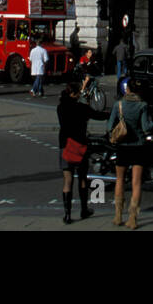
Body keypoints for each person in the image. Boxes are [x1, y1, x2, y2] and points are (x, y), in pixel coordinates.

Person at [106, 77, 153, 229]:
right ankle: (133, 218)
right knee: (136, 182)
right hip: (139, 146)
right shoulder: (142, 105)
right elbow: (146, 127)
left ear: (127, 89)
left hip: (123, 146)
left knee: (120, 180)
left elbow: (109, 125)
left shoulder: (119, 105)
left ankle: (117, 215)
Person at [57, 79, 108, 223]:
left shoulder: (61, 108)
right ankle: (84, 209)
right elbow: (98, 115)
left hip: (65, 144)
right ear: (74, 94)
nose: (80, 94)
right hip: (80, 145)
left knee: (67, 180)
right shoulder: (82, 108)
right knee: (82, 178)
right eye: (78, 92)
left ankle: (67, 214)